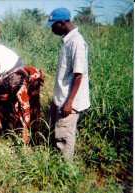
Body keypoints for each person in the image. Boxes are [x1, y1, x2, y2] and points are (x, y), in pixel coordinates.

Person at [48, 8, 90, 161]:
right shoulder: (68, 41)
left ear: (62, 23)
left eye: (54, 25)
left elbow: (79, 75)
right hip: (62, 98)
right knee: (59, 134)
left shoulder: (77, 42)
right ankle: (58, 166)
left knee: (64, 138)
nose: (52, 29)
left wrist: (69, 102)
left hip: (69, 101)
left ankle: (64, 173)